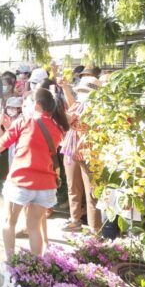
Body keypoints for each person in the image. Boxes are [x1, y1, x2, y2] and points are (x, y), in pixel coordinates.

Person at [0, 88, 70, 259]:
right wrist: (10, 128)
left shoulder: (24, 122)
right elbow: (34, 141)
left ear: (36, 105)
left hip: (21, 182)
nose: (23, 107)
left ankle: (11, 263)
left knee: (9, 222)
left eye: (26, 103)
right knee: (34, 227)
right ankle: (37, 264)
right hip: (45, 185)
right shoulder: (57, 127)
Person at [58, 75, 103, 232]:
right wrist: (65, 89)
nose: (81, 93)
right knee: (73, 188)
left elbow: (68, 119)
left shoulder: (99, 108)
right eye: (81, 91)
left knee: (91, 193)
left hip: (89, 154)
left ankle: (95, 228)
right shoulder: (79, 105)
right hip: (72, 150)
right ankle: (75, 220)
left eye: (85, 91)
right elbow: (71, 111)